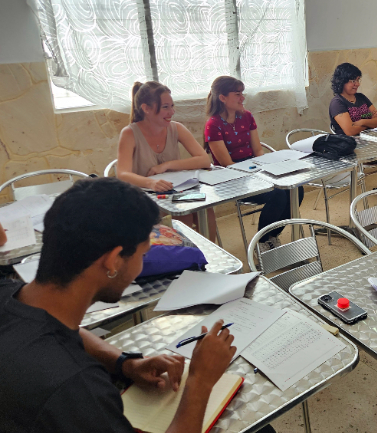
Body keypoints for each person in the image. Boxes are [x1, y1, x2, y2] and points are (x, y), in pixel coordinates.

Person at [0, 178, 237, 433]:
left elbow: (55, 325)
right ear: (113, 261)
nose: (141, 266)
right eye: (143, 255)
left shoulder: (13, 294)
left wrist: (125, 363)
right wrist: (200, 381)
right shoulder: (76, 387)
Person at [204, 76, 304, 250]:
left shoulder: (247, 117)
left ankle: (272, 234)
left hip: (254, 168)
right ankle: (262, 242)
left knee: (296, 188)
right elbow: (227, 164)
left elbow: (257, 151)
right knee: (278, 195)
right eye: (237, 94)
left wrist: (266, 170)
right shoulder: (213, 125)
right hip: (232, 177)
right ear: (222, 98)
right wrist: (256, 174)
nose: (242, 98)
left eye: (242, 93)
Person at [117, 81, 217, 241]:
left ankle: (208, 258)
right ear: (146, 108)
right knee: (183, 216)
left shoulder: (176, 128)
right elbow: (122, 174)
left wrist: (167, 165)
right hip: (145, 197)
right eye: (165, 107)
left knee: (205, 210)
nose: (172, 111)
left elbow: (204, 160)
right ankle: (186, 259)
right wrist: (150, 183)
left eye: (172, 106)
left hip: (174, 191)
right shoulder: (129, 133)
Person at [329, 62, 377, 204]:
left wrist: (362, 122)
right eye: (352, 81)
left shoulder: (361, 97)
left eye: (358, 80)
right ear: (341, 81)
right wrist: (368, 122)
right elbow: (349, 131)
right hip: (352, 146)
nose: (356, 84)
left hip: (372, 140)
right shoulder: (337, 102)